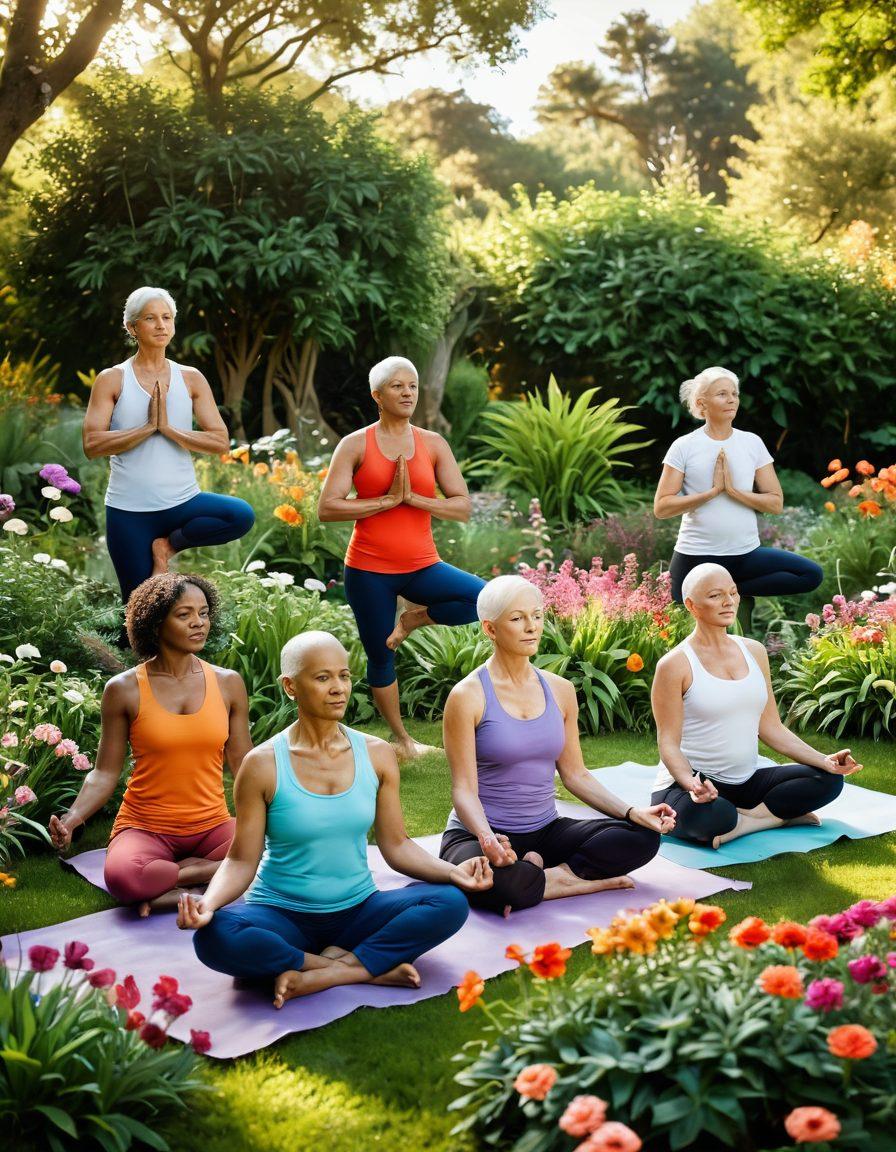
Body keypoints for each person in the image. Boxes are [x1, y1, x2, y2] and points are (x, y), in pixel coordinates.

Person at [176, 631, 491, 1007]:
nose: (339, 688)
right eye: (323, 678)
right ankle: (358, 965)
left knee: (450, 902)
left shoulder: (376, 755)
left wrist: (453, 872)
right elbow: (241, 859)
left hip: (358, 910)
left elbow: (397, 845)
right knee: (215, 936)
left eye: (344, 676)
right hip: (281, 914)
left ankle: (327, 973)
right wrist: (208, 905)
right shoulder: (262, 765)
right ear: (290, 686)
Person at [439, 575, 675, 917]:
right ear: (490, 629)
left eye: (536, 615)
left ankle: (546, 879)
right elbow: (463, 790)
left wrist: (631, 812)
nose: (531, 626)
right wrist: (488, 840)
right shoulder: (467, 696)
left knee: (642, 837)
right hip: (479, 834)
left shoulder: (560, 690)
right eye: (517, 618)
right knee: (493, 882)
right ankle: (567, 879)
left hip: (546, 831)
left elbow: (575, 774)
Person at [49, 574, 252, 914]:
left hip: (212, 826)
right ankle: (204, 881)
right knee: (124, 878)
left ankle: (171, 888)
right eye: (184, 614)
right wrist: (71, 820)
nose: (198, 623)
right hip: (145, 827)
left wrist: (279, 809)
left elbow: (245, 762)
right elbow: (104, 773)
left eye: (203, 613)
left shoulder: (228, 683)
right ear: (155, 623)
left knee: (277, 851)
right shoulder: (124, 689)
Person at [318, 356, 485, 760]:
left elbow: (462, 506)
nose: (408, 392)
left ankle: (414, 618)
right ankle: (403, 739)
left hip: (422, 565)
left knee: (485, 599)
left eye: (412, 385)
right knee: (380, 655)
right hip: (368, 570)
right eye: (397, 386)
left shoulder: (432, 444)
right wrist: (385, 501)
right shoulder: (355, 444)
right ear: (377, 395)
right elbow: (328, 508)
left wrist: (413, 499)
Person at [650, 563, 859, 849]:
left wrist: (824, 760)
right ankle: (774, 816)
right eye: (715, 596)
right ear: (691, 605)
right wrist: (692, 785)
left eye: (733, 593)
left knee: (828, 780)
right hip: (690, 786)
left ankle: (750, 822)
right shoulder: (674, 665)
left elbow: (771, 727)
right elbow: (668, 744)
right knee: (713, 817)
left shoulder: (754, 651)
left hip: (745, 782)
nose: (728, 602)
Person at [82, 287, 255, 612]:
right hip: (129, 512)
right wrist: (147, 428)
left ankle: (167, 545)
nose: (161, 325)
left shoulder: (190, 378)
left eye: (167, 317)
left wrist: (171, 430)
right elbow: (92, 444)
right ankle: (138, 663)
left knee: (240, 515)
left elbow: (220, 441)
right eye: (150, 318)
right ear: (132, 328)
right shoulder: (112, 379)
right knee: (140, 610)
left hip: (183, 501)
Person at [653, 366, 822, 613]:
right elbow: (662, 507)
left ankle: (728, 590)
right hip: (696, 556)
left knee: (811, 574)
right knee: (677, 614)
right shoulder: (684, 446)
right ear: (702, 403)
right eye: (722, 394)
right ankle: (721, 590)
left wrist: (733, 491)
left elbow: (775, 503)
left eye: (734, 393)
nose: (731, 399)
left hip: (745, 555)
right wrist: (712, 492)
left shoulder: (751, 443)